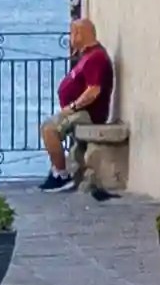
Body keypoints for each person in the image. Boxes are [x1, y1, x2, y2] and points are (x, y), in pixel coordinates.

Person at [40, 15, 117, 190]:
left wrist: (73, 107)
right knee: (47, 126)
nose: (70, 38)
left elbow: (94, 90)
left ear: (80, 34)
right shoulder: (87, 55)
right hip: (79, 111)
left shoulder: (96, 57)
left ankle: (61, 174)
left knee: (49, 129)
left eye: (72, 33)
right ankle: (57, 171)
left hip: (87, 114)